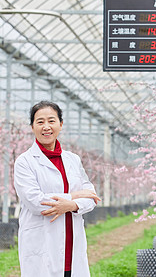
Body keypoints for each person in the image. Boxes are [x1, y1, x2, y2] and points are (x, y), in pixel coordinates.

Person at [14, 101, 100, 277]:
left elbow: (91, 196)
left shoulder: (73, 160)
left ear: (61, 124)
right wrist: (74, 196)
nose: (46, 127)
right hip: (42, 242)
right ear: (32, 127)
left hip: (71, 242)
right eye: (40, 122)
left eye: (51, 121)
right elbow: (36, 202)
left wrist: (72, 206)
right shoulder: (25, 162)